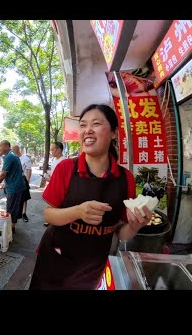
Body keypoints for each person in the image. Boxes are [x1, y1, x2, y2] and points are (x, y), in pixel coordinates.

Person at [29, 104, 153, 290]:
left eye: (96, 124)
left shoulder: (125, 178)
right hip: (56, 257)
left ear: (113, 133)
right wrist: (79, 211)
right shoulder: (66, 168)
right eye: (83, 125)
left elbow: (120, 231)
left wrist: (135, 225)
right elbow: (49, 215)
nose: (87, 130)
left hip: (92, 264)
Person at [0, 140, 26, 233]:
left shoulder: (9, 157)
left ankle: (9, 229)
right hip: (17, 185)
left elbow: (3, 174)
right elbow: (15, 171)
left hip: (14, 187)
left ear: (6, 146)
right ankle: (11, 227)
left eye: (0, 146)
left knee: (11, 208)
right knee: (14, 208)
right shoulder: (13, 155)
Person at [43, 141, 66, 226]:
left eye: (52, 149)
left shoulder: (65, 161)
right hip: (52, 185)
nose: (51, 151)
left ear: (59, 150)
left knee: (57, 205)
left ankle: (56, 221)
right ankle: (50, 220)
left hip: (60, 188)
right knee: (50, 204)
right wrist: (49, 175)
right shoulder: (54, 160)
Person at [12, 145, 31, 222]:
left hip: (23, 179)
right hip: (14, 180)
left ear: (17, 150)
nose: (12, 151)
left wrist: (28, 181)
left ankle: (24, 213)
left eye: (14, 150)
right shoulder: (12, 158)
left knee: (24, 198)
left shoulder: (25, 158)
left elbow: (29, 170)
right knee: (14, 197)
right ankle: (15, 214)